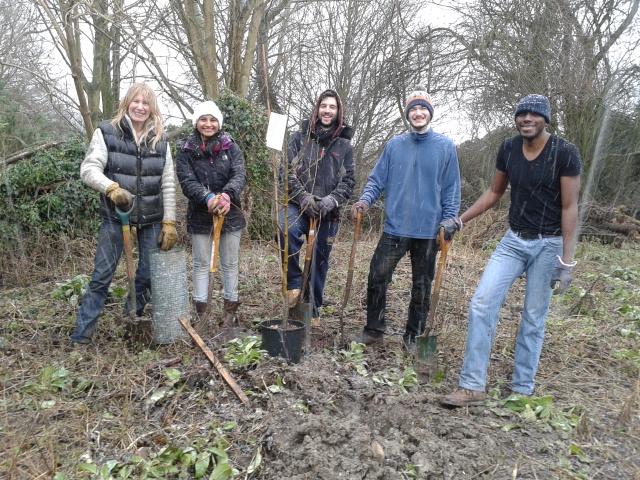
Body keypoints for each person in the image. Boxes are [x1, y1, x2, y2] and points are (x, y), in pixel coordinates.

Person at [440, 94, 582, 407]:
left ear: (545, 118)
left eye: (534, 114)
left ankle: (522, 389)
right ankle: (472, 385)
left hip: (549, 244)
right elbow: (494, 192)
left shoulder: (565, 152)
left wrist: (566, 262)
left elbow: (570, 207)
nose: (527, 119)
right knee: (481, 303)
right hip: (514, 241)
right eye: (522, 114)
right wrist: (459, 221)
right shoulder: (508, 149)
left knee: (533, 316)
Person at [352, 88, 461, 351]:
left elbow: (451, 189)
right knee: (377, 276)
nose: (418, 112)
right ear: (408, 114)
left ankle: (413, 336)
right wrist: (365, 200)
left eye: (423, 108)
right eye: (413, 108)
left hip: (429, 231)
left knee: (421, 287)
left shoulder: (445, 147)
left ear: (430, 113)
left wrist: (449, 220)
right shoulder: (394, 145)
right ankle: (374, 330)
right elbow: (377, 179)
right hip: (395, 228)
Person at [70, 83, 177, 344]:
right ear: (126, 104)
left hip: (151, 218)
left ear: (152, 108)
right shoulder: (107, 132)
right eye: (136, 101)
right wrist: (111, 188)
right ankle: (81, 338)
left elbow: (168, 182)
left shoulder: (160, 139)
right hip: (116, 216)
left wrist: (170, 221)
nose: (140, 107)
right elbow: (89, 169)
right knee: (101, 276)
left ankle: (132, 320)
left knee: (148, 275)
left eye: (146, 103)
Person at [280, 89, 355, 323]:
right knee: (286, 230)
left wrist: (330, 201)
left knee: (319, 259)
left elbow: (349, 179)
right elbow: (285, 170)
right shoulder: (299, 138)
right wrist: (303, 197)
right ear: (317, 108)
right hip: (298, 204)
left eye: (332, 107)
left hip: (328, 212)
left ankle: (312, 308)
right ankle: (293, 282)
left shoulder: (344, 145)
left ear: (338, 112)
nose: (327, 111)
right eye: (324, 106)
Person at [176, 100, 246, 327]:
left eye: (213, 120)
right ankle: (201, 313)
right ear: (196, 122)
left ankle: (230, 313)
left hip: (231, 214)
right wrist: (207, 198)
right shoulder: (186, 150)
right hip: (200, 215)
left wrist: (226, 196)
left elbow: (239, 174)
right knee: (201, 262)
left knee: (230, 263)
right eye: (203, 119)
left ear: (219, 123)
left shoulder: (230, 147)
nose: (208, 124)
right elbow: (187, 181)